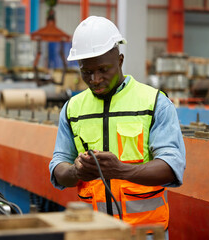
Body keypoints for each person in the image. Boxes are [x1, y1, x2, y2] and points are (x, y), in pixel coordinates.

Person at [49, 16, 186, 237]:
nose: (95, 79)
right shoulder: (72, 109)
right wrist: (76, 171)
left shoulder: (154, 103)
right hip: (91, 233)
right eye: (86, 71)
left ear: (120, 60)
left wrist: (121, 170)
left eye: (103, 69)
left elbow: (172, 166)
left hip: (144, 233)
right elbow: (58, 167)